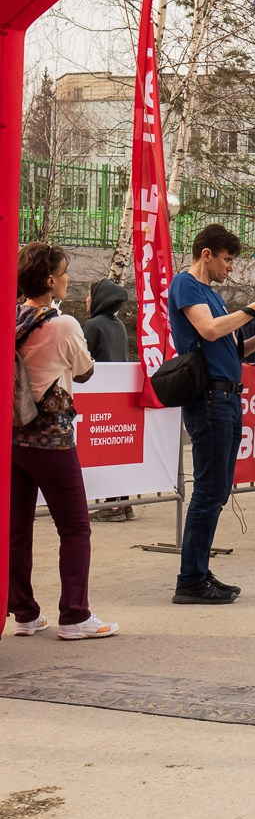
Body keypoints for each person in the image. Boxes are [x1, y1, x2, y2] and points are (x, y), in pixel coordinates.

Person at [167, 224, 255, 604]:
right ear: (207, 254)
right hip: (210, 399)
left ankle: (198, 572)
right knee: (208, 490)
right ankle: (190, 579)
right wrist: (252, 308)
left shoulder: (211, 295)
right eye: (227, 260)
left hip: (227, 398)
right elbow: (209, 330)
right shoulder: (187, 285)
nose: (230, 268)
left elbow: (235, 348)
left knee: (216, 490)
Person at [9, 243, 118, 639]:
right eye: (65, 270)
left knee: (17, 527)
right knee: (74, 528)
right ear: (51, 280)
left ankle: (23, 612)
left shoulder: (12, 317)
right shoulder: (64, 323)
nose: (69, 277)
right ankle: (74, 615)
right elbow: (85, 371)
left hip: (14, 436)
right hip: (51, 437)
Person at [83, 278, 134, 523]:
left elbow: (82, 361)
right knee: (116, 451)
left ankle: (111, 506)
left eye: (88, 295)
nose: (85, 300)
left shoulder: (93, 325)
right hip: (118, 396)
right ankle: (122, 502)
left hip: (98, 398)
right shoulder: (119, 326)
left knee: (102, 451)